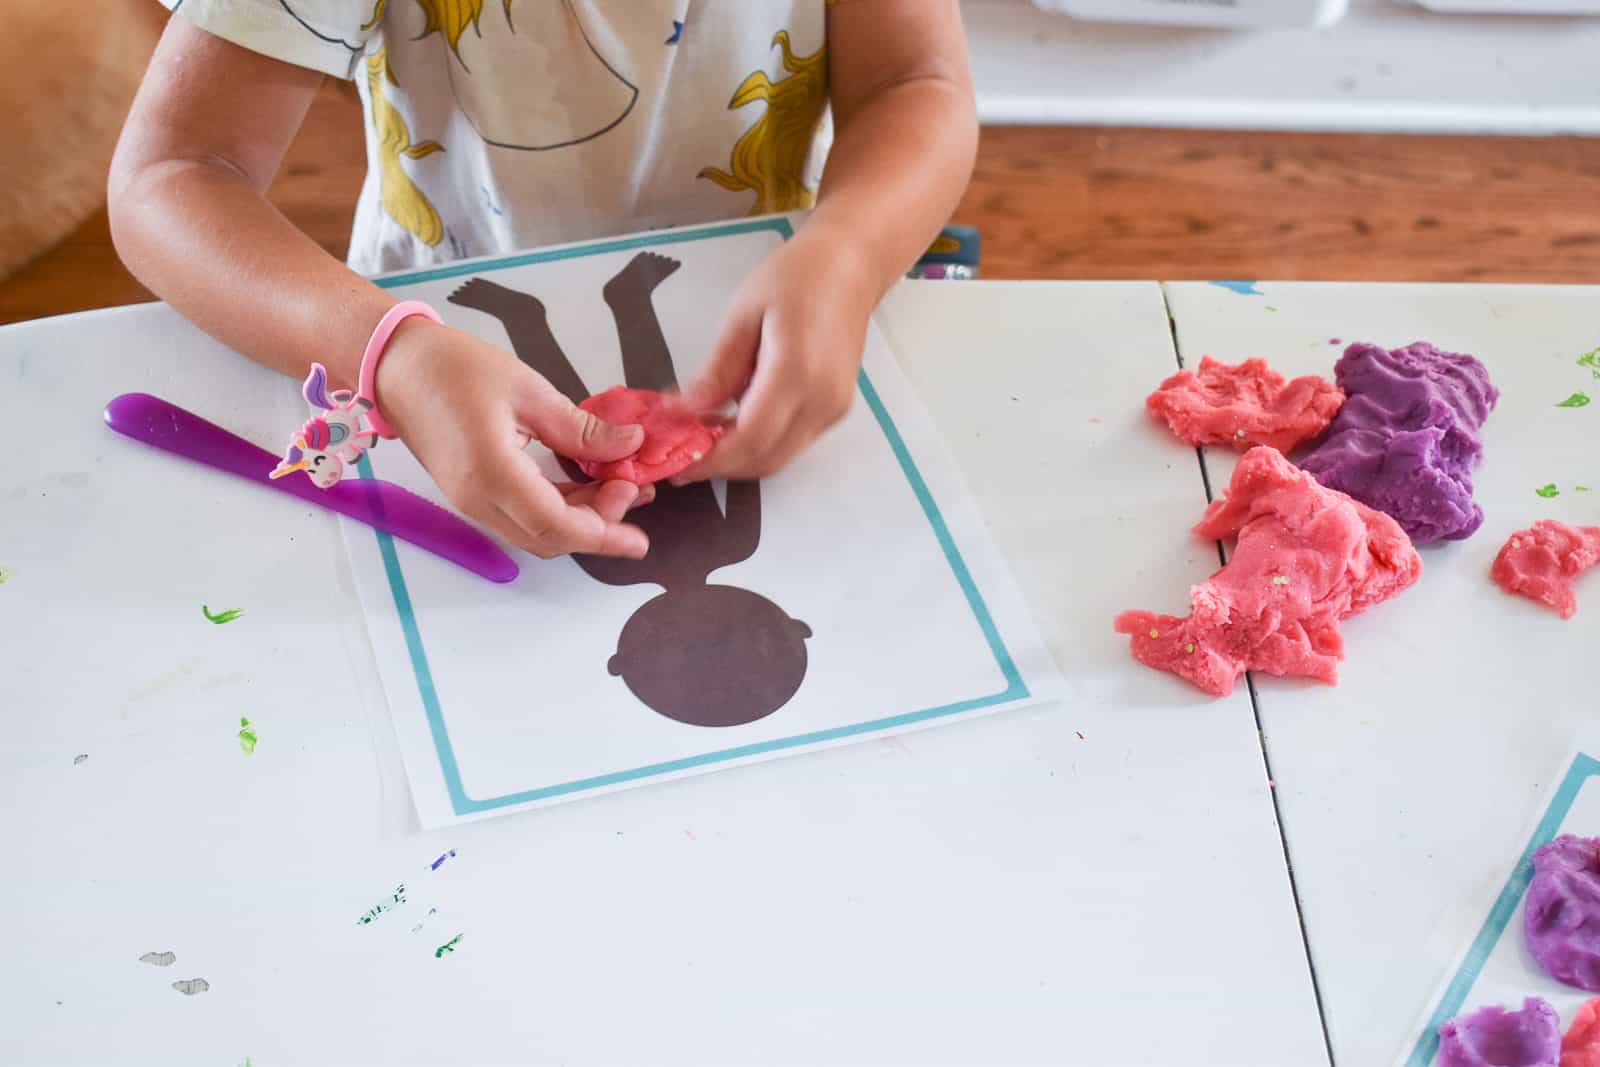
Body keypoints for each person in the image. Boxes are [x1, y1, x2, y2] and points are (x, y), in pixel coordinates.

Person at [109, 0, 978, 561]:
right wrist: (393, 355)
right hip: (424, 346)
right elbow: (172, 176)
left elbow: (914, 80)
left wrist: (852, 253)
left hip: (765, 322)